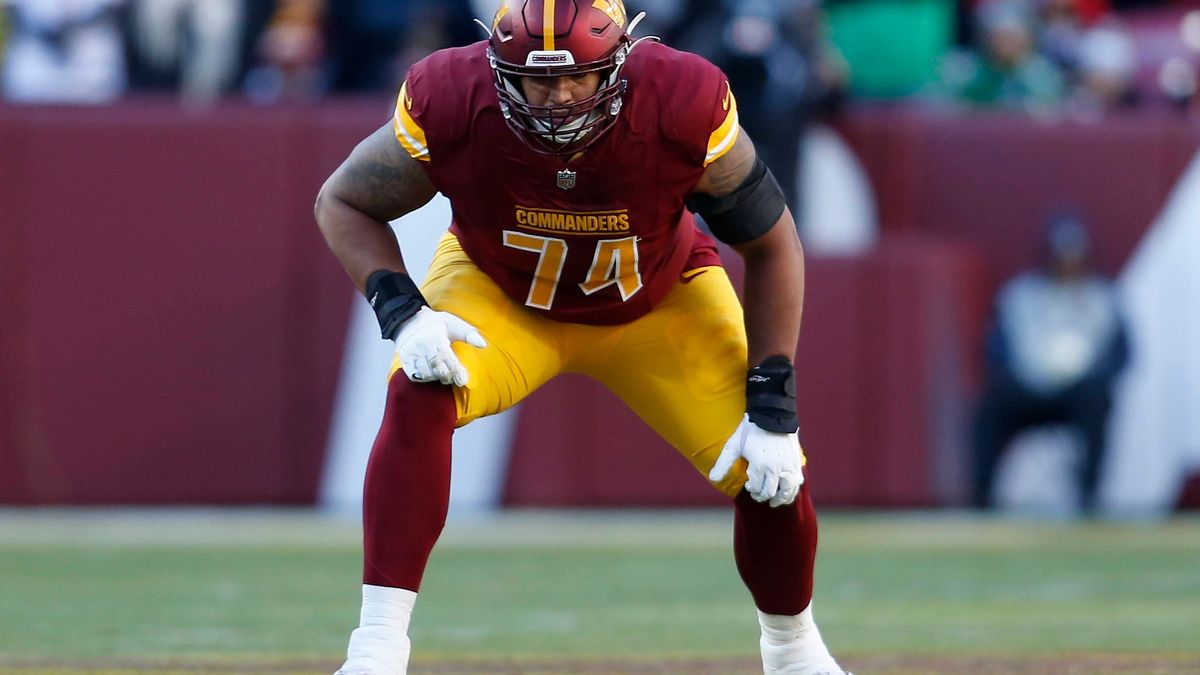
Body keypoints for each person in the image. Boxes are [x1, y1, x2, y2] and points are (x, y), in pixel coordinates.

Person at [314, 1, 847, 673]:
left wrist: (775, 400)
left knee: (772, 468)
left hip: (658, 299)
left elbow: (773, 244)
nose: (558, 98)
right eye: (538, 81)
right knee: (420, 389)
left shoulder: (683, 97)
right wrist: (403, 312)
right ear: (497, 66)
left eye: (580, 78)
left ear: (622, 60)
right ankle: (377, 648)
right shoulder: (449, 94)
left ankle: (795, 652)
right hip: (503, 293)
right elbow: (342, 200)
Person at [971, 213, 1130, 514]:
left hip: (1078, 391)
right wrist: (1017, 378)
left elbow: (1122, 355)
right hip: (1026, 390)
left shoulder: (1102, 298)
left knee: (1098, 399)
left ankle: (1088, 498)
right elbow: (995, 351)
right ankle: (981, 500)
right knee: (989, 408)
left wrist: (1090, 374)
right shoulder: (1021, 296)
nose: (1068, 263)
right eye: (1061, 255)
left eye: (1074, 255)